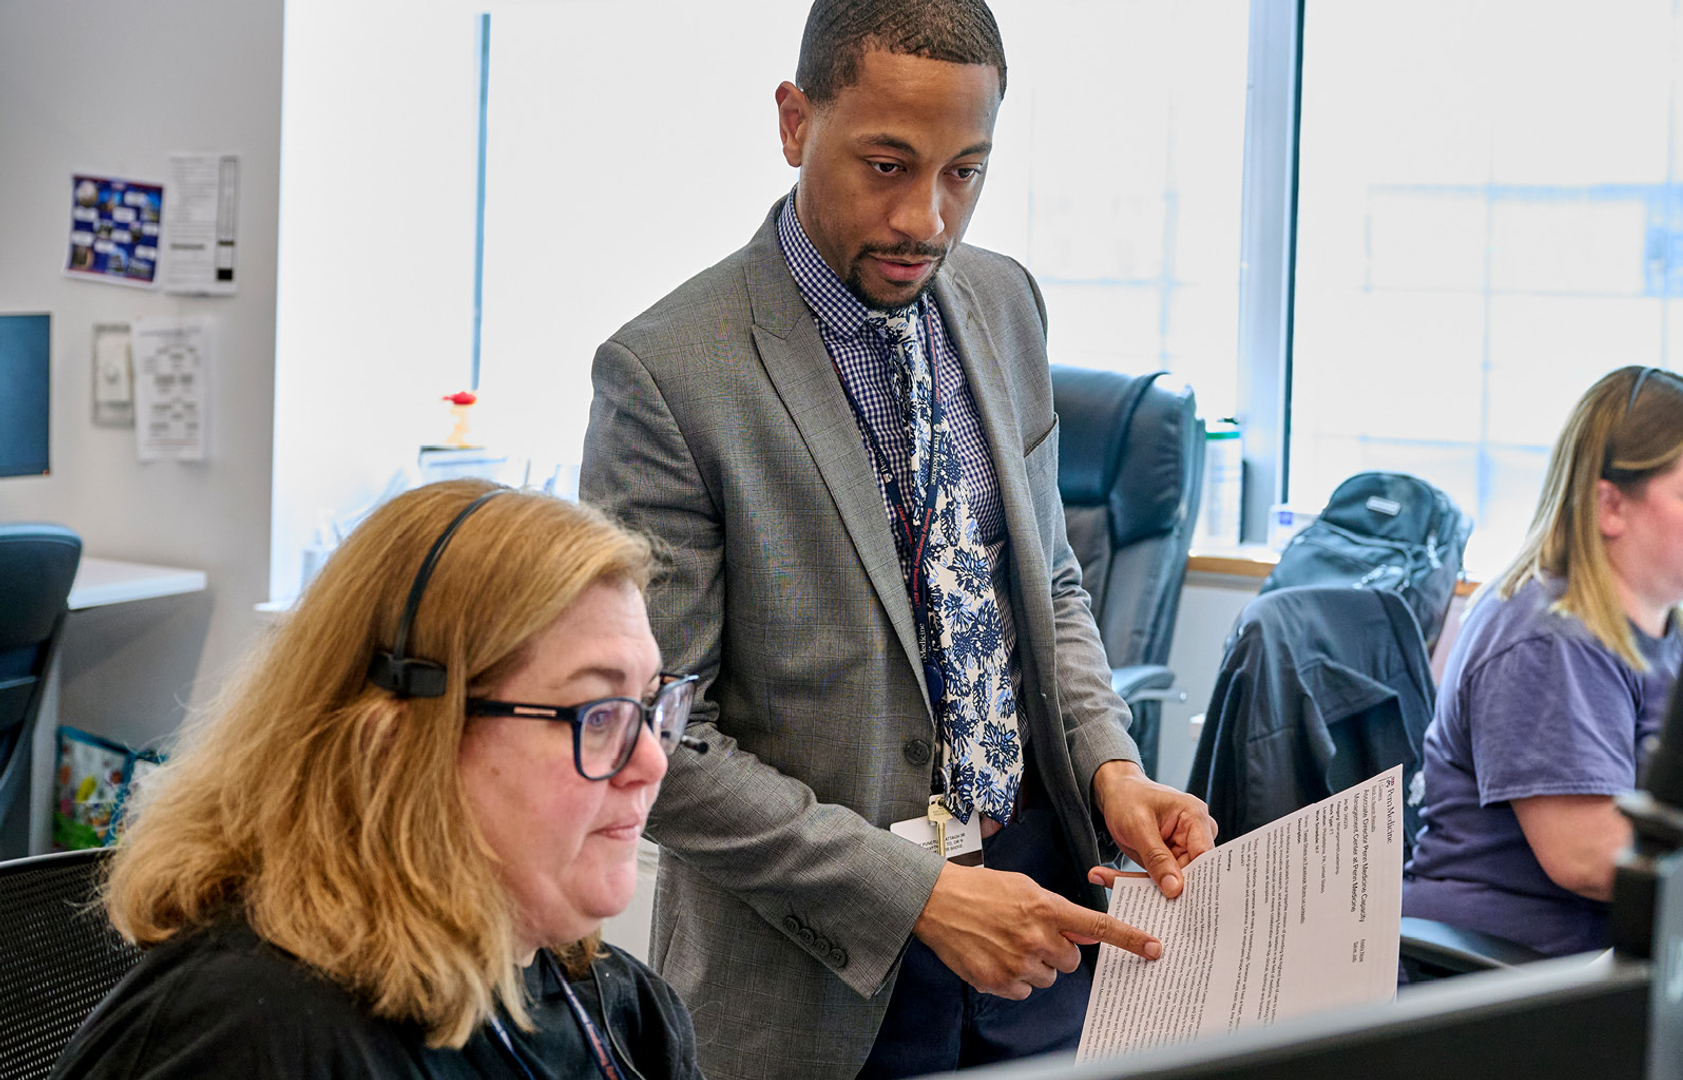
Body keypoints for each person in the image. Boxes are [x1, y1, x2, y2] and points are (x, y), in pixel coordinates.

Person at [579, 1, 1216, 1076]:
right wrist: (917, 895)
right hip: (815, 975)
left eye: (966, 172)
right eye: (887, 165)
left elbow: (1048, 586)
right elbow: (660, 740)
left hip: (1041, 919)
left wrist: (1110, 765)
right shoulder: (668, 375)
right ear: (795, 123)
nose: (927, 217)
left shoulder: (1006, 302)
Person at [52, 480, 703, 1079]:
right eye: (598, 716)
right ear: (395, 743)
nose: (652, 762)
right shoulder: (252, 1041)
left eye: (651, 706)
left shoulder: (621, 1009)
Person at [1403, 366, 1683, 957]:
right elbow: (1593, 859)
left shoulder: (1667, 625)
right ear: (1610, 506)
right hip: (1512, 968)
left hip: (1605, 955)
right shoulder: (1548, 642)